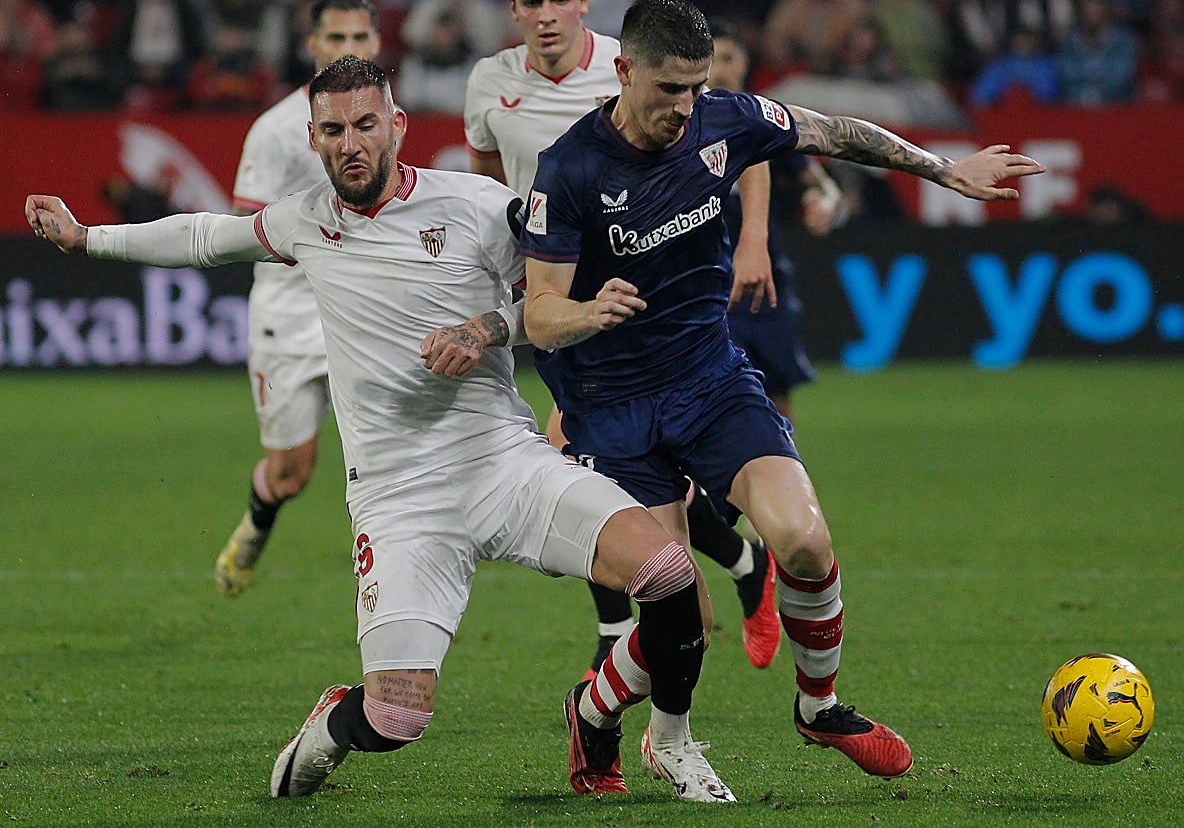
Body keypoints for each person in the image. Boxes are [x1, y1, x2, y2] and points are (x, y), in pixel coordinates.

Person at [26, 55, 735, 804]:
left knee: (668, 576)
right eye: (333, 129)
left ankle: (636, 730)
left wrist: (489, 330)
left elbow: (554, 308)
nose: (351, 142)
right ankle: (335, 724)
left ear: (395, 126)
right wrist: (85, 239)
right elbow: (206, 236)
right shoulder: (306, 220)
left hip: (502, 462)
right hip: (400, 500)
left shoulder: (477, 205)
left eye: (366, 123)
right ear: (315, 138)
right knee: (396, 716)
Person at [521, 0, 1044, 783]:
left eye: (696, 88)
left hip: (711, 379)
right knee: (680, 617)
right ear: (623, 71)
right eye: (669, 90)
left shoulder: (722, 121)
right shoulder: (571, 170)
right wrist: (589, 313)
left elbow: (835, 132)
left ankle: (819, 707)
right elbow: (539, 314)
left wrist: (945, 171)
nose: (685, 107)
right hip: (616, 408)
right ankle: (596, 713)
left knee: (802, 538)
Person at [464, 0, 781, 677]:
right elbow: (492, 190)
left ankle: (618, 636)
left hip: (638, 300)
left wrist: (752, 235)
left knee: (586, 468)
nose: (545, 13)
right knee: (609, 476)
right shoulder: (488, 83)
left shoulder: (636, 63)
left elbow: (738, 138)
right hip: (555, 294)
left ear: (583, 2)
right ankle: (742, 563)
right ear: (513, 8)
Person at [213, 0, 381, 598]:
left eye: (359, 38)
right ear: (312, 46)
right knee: (291, 474)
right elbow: (241, 225)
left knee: (388, 453)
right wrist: (315, 236)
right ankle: (255, 529)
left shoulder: (386, 120)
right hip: (290, 317)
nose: (348, 50)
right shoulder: (278, 130)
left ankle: (392, 566)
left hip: (364, 317)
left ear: (377, 43)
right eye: (336, 39)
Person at [708, 16, 843, 421]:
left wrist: (824, 202)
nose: (719, 70)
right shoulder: (678, 126)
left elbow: (822, 186)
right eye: (710, 58)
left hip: (761, 291)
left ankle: (777, 478)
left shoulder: (766, 123)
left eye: (728, 57)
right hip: (701, 289)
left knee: (775, 403)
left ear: (745, 62)